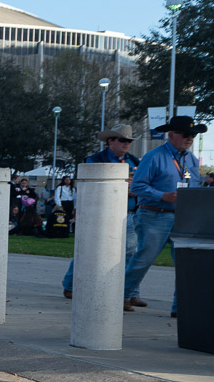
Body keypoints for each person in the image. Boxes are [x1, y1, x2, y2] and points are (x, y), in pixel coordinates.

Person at [123, 114, 206, 318]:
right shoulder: (154, 156)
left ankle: (180, 307)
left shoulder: (191, 159)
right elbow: (138, 185)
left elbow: (194, 184)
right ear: (171, 135)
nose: (190, 138)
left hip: (183, 218)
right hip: (154, 215)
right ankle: (120, 295)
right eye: (186, 134)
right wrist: (163, 196)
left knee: (185, 263)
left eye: (193, 135)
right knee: (144, 258)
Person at [62, 125, 140, 299]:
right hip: (101, 213)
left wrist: (136, 188)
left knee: (130, 252)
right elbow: (89, 184)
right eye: (123, 140)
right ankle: (70, 285)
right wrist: (120, 186)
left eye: (129, 141)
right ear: (110, 141)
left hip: (129, 212)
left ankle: (130, 292)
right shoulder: (95, 160)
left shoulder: (134, 161)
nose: (126, 144)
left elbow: (142, 182)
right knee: (89, 250)